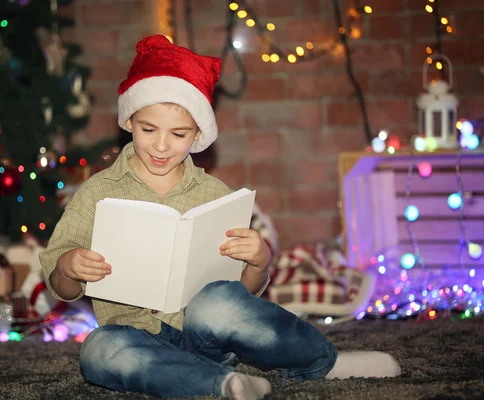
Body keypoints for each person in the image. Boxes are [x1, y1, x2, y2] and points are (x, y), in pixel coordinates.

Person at [39, 35, 401, 400]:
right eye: (149, 129)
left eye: (178, 134)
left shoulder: (214, 195)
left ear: (197, 135)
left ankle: (324, 362)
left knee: (217, 304)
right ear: (129, 121)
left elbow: (240, 297)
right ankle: (221, 385)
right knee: (97, 350)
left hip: (206, 332)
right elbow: (62, 287)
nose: (162, 145)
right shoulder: (97, 192)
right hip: (133, 336)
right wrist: (69, 266)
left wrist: (260, 261)